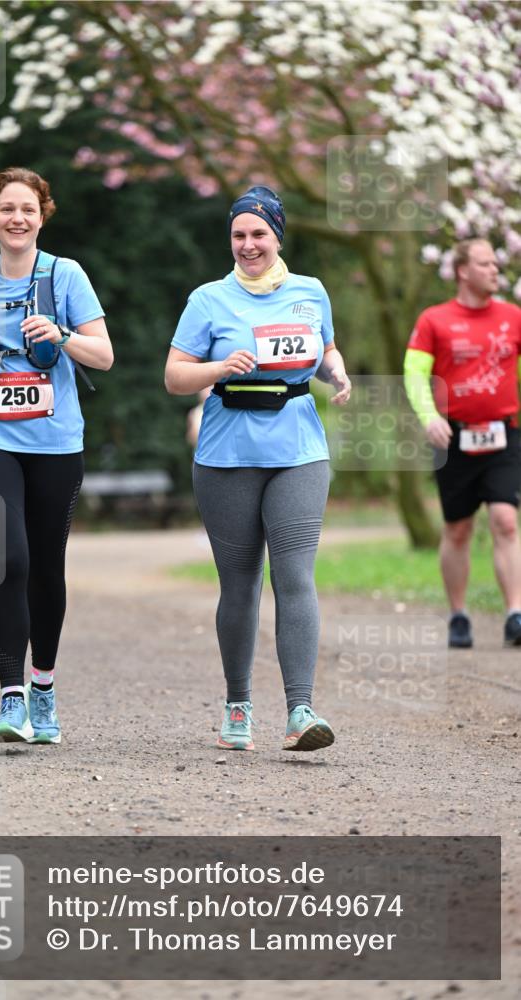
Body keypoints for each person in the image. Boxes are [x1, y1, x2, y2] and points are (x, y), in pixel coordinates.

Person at [165, 185, 351, 752]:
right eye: (239, 235)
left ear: (278, 236)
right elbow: (175, 377)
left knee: (294, 577)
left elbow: (325, 349)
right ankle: (238, 705)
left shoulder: (309, 292)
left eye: (259, 234)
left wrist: (336, 373)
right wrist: (220, 367)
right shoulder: (207, 300)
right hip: (227, 454)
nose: (248, 245)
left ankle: (300, 711)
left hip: (298, 449)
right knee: (240, 584)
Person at [0, 166, 113, 743]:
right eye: (7, 208)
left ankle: (44, 689)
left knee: (45, 566)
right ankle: (10, 699)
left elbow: (104, 356)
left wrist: (62, 336)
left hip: (56, 442)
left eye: (28, 209)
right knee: (8, 558)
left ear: (43, 216)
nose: (18, 218)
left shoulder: (66, 276)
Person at [404, 238, 521, 648]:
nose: (495, 270)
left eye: (496, 263)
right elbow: (415, 373)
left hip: (505, 433)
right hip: (452, 437)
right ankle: (458, 615)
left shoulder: (513, 317)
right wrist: (429, 418)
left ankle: (515, 614)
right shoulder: (435, 320)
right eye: (486, 264)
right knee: (458, 528)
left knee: (506, 519)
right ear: (462, 271)